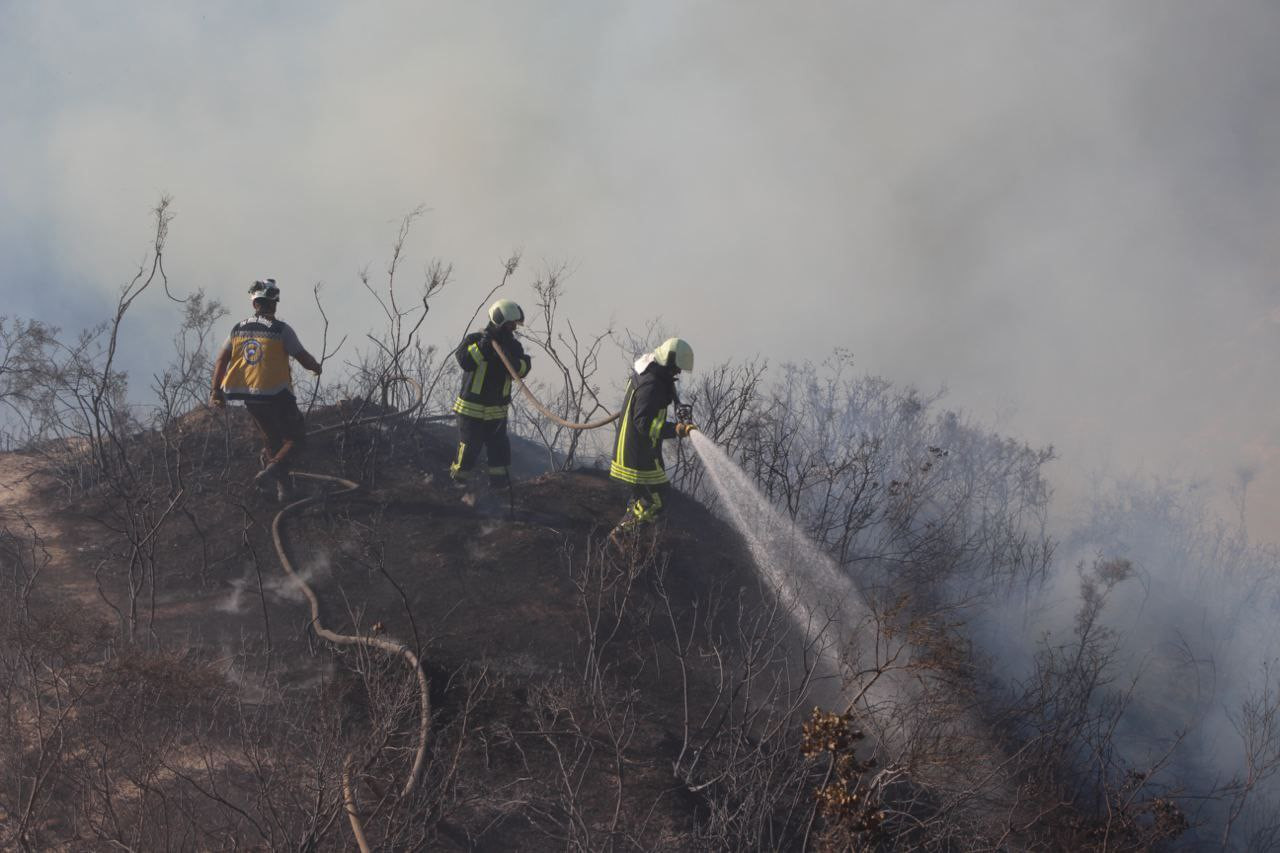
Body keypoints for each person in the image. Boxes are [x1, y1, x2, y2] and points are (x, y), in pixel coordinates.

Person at [210, 279, 322, 501]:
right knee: (295, 440)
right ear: (274, 304)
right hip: (278, 395)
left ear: (254, 304)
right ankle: (272, 471)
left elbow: (222, 360)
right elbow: (302, 357)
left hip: (251, 398)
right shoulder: (281, 329)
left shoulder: (237, 329)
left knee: (272, 440)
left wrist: (216, 391)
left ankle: (284, 491)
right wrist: (316, 367)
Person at [609, 337, 697, 535]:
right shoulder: (651, 385)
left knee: (643, 497)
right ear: (669, 362)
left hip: (637, 452)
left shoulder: (649, 373)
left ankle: (632, 541)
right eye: (676, 368)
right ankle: (622, 535)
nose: (678, 372)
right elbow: (643, 423)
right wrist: (675, 430)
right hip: (636, 457)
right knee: (658, 499)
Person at [450, 299, 531, 490]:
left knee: (500, 451)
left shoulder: (513, 347)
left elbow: (523, 368)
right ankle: (457, 484)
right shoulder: (474, 340)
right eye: (511, 324)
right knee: (469, 448)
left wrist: (510, 359)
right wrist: (485, 346)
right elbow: (465, 360)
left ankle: (500, 488)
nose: (513, 329)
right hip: (471, 411)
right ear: (500, 321)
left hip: (497, 412)